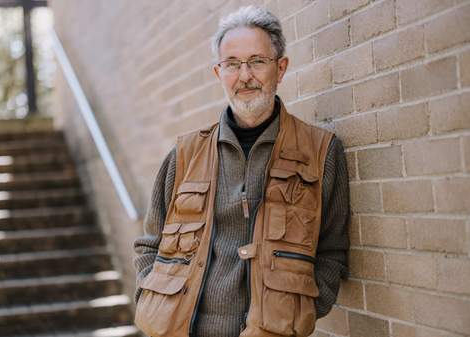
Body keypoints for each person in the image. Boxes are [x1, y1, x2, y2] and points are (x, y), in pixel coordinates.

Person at [133, 5, 350, 337]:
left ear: (281, 68)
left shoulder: (320, 152)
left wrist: (297, 313)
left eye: (257, 61)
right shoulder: (184, 154)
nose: (244, 76)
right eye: (232, 64)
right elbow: (150, 244)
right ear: (218, 73)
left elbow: (332, 250)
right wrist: (155, 302)